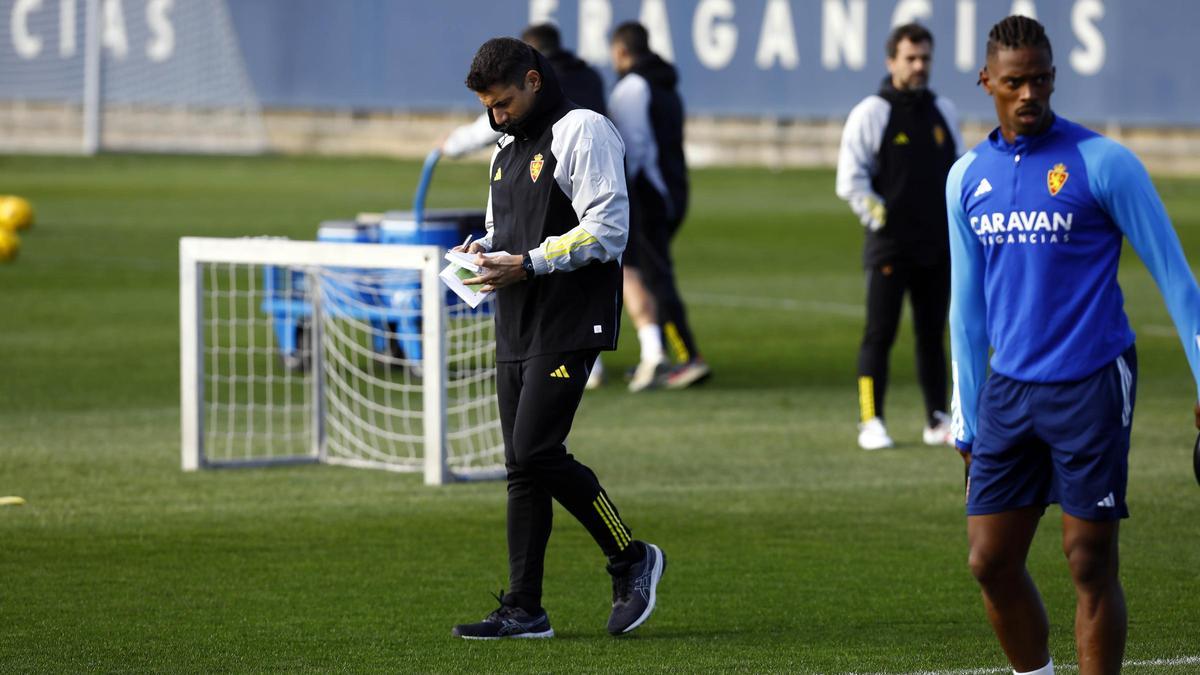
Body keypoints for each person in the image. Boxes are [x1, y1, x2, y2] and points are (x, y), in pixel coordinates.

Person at [948, 15, 1200, 675]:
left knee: (1089, 560)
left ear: (1053, 77)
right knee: (989, 560)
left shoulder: (1105, 163)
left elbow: (1179, 283)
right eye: (1013, 82)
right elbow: (966, 312)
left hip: (1092, 379)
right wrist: (968, 421)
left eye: (1039, 80)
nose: (1028, 93)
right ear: (987, 82)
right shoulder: (966, 178)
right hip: (1009, 391)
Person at [449, 37, 665, 640]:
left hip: (570, 316)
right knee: (521, 466)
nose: (497, 115)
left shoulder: (584, 130)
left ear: (534, 80)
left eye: (504, 101)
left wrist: (528, 263)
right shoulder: (504, 150)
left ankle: (630, 557)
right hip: (516, 317)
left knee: (538, 451)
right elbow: (504, 231)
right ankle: (524, 609)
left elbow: (609, 228)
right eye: (489, 107)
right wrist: (483, 255)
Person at [836, 23, 963, 450]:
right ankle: (870, 419)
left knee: (932, 334)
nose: (919, 66)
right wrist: (884, 216)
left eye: (925, 58)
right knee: (879, 333)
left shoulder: (942, 109)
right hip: (890, 246)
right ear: (891, 61)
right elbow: (850, 180)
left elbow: (958, 173)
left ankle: (936, 418)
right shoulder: (872, 112)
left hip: (937, 247)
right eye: (910, 58)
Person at [608, 21, 710, 392]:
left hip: (647, 194)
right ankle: (659, 357)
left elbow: (631, 148)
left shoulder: (632, 88)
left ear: (620, 51)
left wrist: (619, 192)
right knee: (644, 271)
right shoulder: (666, 86)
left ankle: (689, 357)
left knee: (654, 276)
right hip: (672, 188)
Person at [441, 23, 606, 159]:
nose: (498, 118)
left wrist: (452, 144)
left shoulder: (580, 121)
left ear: (533, 80)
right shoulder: (591, 75)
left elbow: (486, 131)